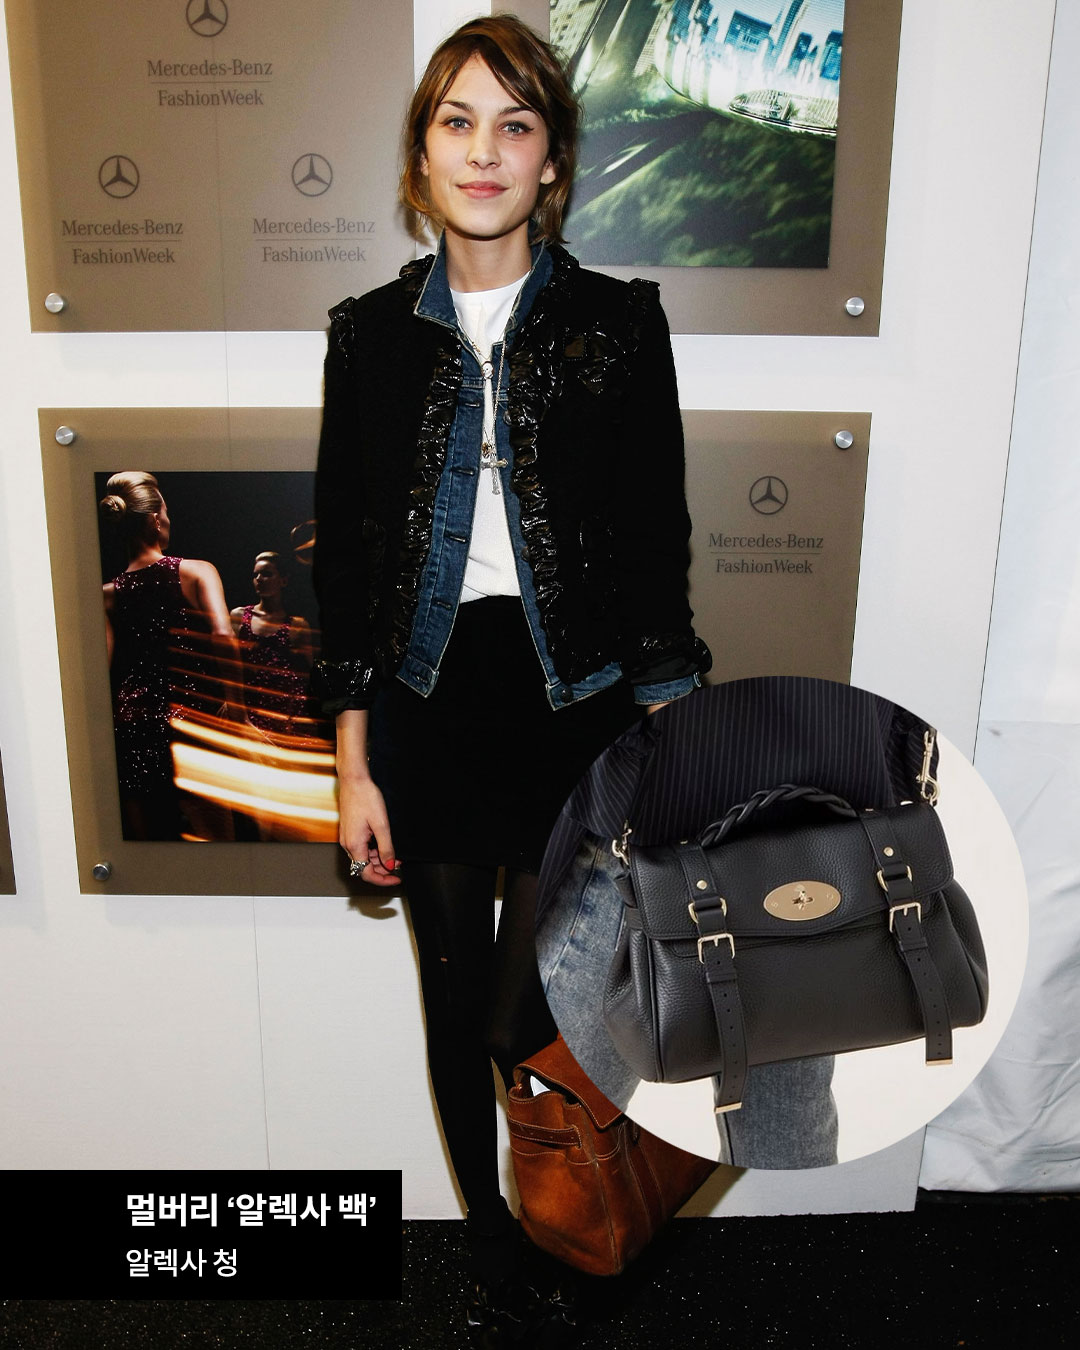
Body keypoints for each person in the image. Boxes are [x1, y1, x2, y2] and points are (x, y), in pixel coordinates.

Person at [312, 15, 711, 1337]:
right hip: (426, 699)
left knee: (519, 1013)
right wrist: (352, 766)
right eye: (457, 122)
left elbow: (655, 546)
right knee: (447, 987)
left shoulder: (619, 324)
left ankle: (578, 1195)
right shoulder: (369, 337)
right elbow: (346, 562)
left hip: (573, 702)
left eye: (515, 124)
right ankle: (488, 1229)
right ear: (421, 157)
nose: (484, 151)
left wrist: (670, 738)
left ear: (551, 163)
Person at [100, 471, 244, 840]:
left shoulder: (108, 594)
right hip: (189, 719)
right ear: (154, 520)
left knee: (150, 842)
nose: (169, 518)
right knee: (215, 839)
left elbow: (102, 668)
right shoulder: (195, 571)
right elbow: (223, 635)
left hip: (133, 724)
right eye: (166, 511)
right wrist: (237, 709)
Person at [230, 552, 313, 743]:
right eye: (256, 575)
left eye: (267, 574)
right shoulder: (239, 617)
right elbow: (230, 667)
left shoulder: (297, 626)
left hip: (285, 713)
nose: (259, 579)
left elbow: (309, 675)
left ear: (283, 580)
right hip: (250, 708)